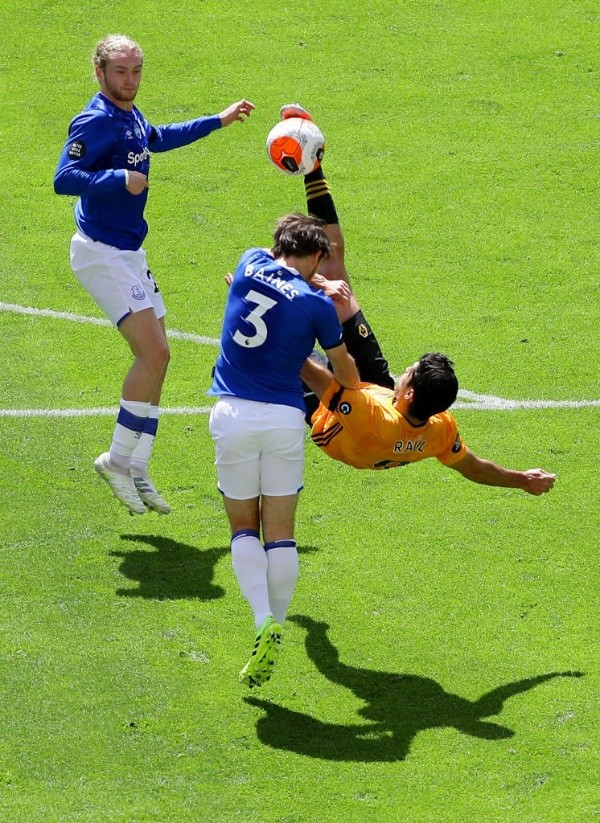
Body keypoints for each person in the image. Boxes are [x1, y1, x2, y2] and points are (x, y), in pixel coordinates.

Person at [288, 105, 556, 495]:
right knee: (335, 267)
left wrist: (257, 288)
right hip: (372, 395)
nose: (406, 371)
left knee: (289, 339)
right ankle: (312, 163)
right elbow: (473, 466)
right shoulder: (438, 429)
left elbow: (303, 363)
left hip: (337, 416)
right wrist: (521, 480)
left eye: (409, 373)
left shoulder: (373, 414)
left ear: (408, 391)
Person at [54, 34, 255, 516]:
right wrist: (117, 178)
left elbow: (156, 138)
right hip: (101, 252)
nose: (130, 80)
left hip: (128, 252)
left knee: (161, 359)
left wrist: (219, 121)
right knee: (154, 352)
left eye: (137, 71)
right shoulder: (96, 119)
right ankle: (116, 459)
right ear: (99, 73)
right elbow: (64, 177)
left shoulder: (130, 115)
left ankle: (138, 461)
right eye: (121, 72)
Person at [207, 211, 359, 689]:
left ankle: (261, 621)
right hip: (283, 420)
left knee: (242, 526)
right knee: (281, 533)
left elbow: (268, 269)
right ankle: (276, 622)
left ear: (278, 246)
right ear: (316, 257)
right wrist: (327, 302)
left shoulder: (249, 262)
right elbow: (347, 378)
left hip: (232, 416)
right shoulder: (317, 306)